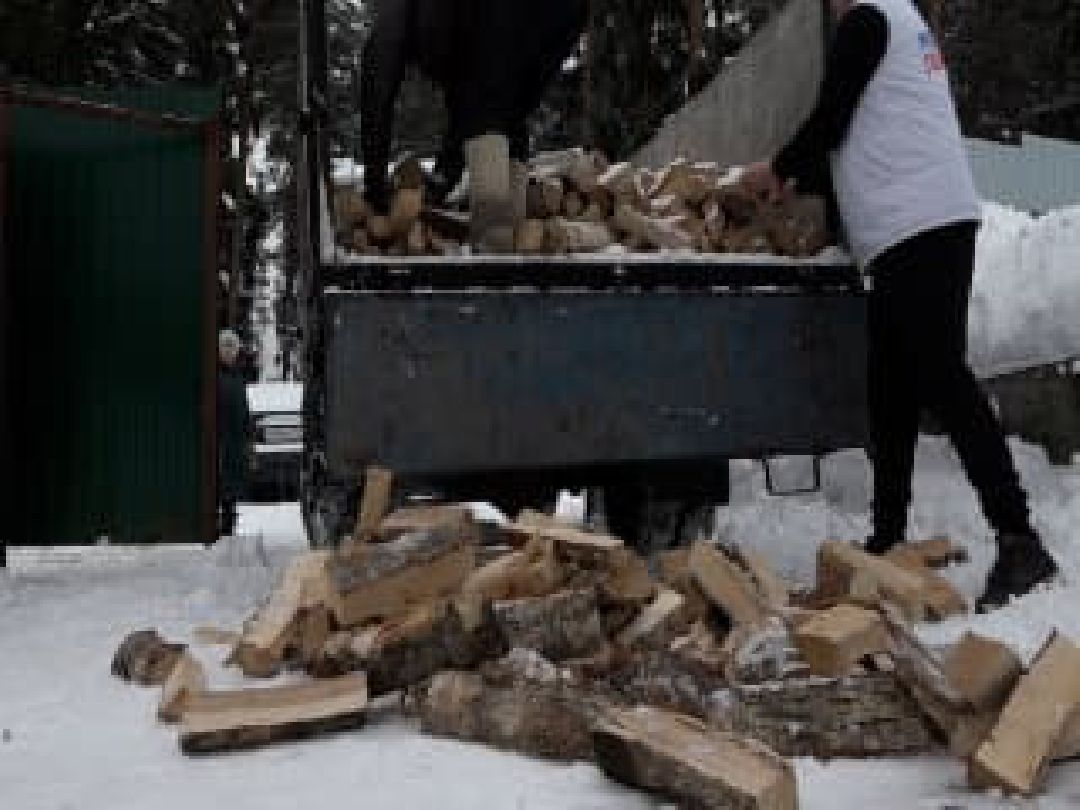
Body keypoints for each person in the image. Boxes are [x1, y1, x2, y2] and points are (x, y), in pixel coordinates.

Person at [741, 0, 1057, 610]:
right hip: (912, 230)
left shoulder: (869, 21)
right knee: (890, 388)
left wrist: (775, 169)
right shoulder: (900, 24)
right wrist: (795, 178)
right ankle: (887, 539)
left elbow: (831, 120)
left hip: (922, 226)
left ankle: (1020, 538)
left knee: (941, 374)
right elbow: (857, 139)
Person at [360, 0, 588, 250]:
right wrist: (441, 178)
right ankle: (508, 243)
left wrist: (374, 187)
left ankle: (496, 247)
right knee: (508, 110)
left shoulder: (399, 17)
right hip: (559, 20)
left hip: (519, 24)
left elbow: (378, 91)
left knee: (492, 113)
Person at [217, 329, 254, 538]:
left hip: (235, 435)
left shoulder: (238, 375)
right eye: (225, 348)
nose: (230, 352)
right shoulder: (215, 376)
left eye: (232, 348)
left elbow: (244, 407)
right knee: (221, 476)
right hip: (221, 436)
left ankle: (229, 518)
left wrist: (249, 434)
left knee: (232, 478)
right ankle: (223, 519)